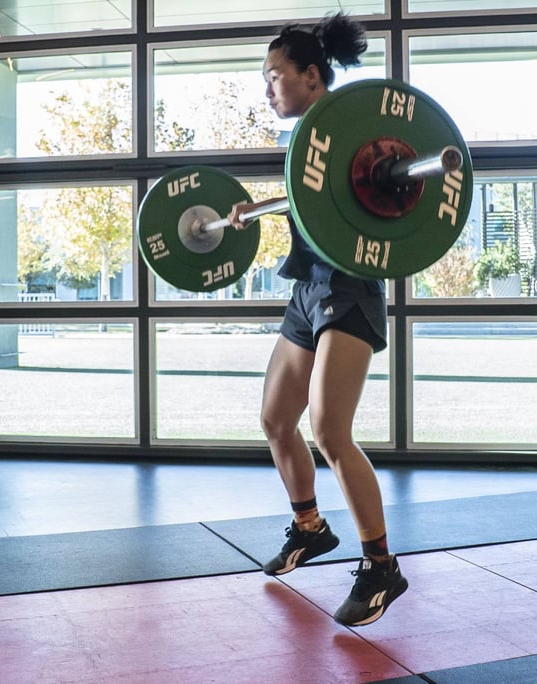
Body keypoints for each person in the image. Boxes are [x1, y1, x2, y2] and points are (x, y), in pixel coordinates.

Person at [227, 13, 407, 627]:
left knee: (331, 430)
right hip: (308, 288)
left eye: (274, 76)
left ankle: (381, 567)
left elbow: (378, 192)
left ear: (310, 74)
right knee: (277, 420)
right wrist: (259, 209)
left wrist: (400, 173)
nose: (267, 88)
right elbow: (316, 205)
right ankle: (310, 528)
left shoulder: (355, 129)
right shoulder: (304, 141)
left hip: (349, 289)